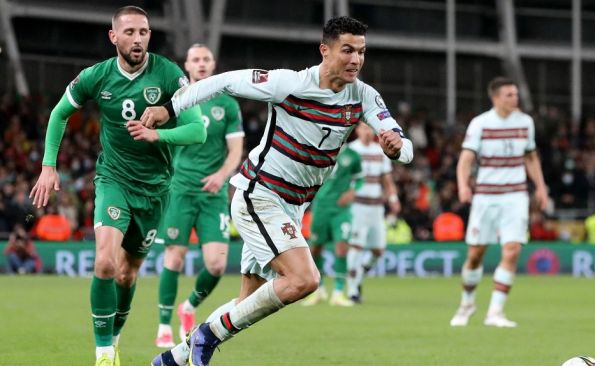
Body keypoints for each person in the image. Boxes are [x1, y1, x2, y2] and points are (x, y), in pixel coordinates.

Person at [146, 16, 413, 366]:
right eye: (347, 50)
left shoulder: (363, 96)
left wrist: (396, 148)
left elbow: (403, 147)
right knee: (303, 279)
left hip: (293, 207)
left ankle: (173, 359)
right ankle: (207, 337)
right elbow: (225, 81)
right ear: (325, 50)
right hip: (261, 195)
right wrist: (170, 108)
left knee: (250, 299)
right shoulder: (289, 84)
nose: (355, 60)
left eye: (361, 52)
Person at [28, 6, 206, 366]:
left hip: (156, 189)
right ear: (114, 37)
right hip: (113, 180)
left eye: (143, 32)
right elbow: (60, 112)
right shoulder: (96, 76)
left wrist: (158, 134)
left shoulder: (169, 74)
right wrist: (48, 166)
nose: (138, 39)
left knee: (127, 273)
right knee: (105, 262)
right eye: (129, 32)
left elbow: (198, 130)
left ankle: (116, 336)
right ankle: (104, 353)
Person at [155, 44, 244, 348]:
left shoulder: (228, 105)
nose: (202, 64)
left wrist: (222, 175)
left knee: (217, 264)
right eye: (196, 59)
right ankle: (163, 325)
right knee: (174, 256)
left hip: (213, 193)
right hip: (180, 189)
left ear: (213, 64)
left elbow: (235, 151)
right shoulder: (176, 101)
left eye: (206, 59)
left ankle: (189, 307)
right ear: (187, 65)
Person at [450, 77, 547, 328]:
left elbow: (531, 156)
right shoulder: (481, 123)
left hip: (515, 195)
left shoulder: (525, 122)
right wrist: (463, 185)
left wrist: (541, 187)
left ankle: (495, 312)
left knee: (512, 249)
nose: (515, 98)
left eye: (515, 94)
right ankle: (467, 303)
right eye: (509, 95)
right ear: (495, 98)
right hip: (486, 196)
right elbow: (466, 159)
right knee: (475, 254)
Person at [301, 145, 363, 307]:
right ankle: (319, 290)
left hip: (341, 210)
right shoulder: (319, 150)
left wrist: (352, 192)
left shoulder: (353, 155)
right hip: (321, 207)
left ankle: (338, 292)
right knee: (315, 249)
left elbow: (360, 179)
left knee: (342, 248)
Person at [346, 122, 400, 303]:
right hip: (357, 206)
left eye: (370, 128)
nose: (367, 132)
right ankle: (352, 291)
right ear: (358, 130)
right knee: (356, 246)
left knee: (378, 251)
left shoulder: (380, 152)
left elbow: (387, 180)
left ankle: (358, 274)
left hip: (376, 207)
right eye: (364, 128)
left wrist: (393, 199)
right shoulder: (350, 150)